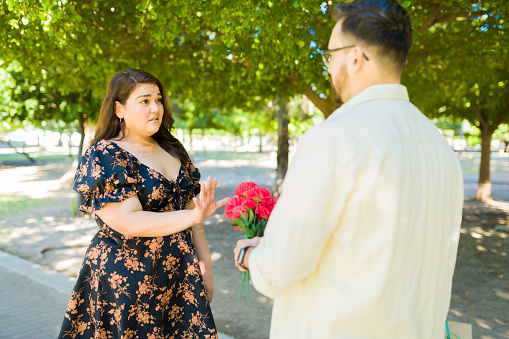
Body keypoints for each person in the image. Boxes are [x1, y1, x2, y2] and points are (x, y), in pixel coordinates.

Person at [233, 1, 464, 338]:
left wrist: (249, 255)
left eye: (330, 56)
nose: (328, 67)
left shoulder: (334, 141)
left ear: (354, 57)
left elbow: (277, 270)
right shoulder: (439, 146)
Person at [59, 69, 228, 338]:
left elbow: (190, 210)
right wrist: (193, 217)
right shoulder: (105, 154)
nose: (155, 108)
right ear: (119, 108)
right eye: (144, 101)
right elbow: (129, 221)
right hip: (126, 282)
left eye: (158, 100)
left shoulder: (172, 148)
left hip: (179, 276)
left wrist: (204, 263)